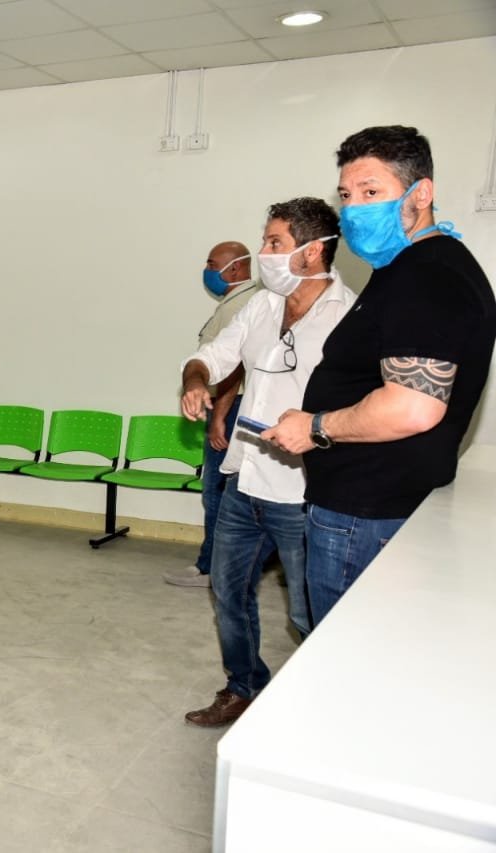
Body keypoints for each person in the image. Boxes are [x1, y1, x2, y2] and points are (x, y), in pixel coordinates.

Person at [267, 126, 496, 626]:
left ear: (421, 193)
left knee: (341, 646)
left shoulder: (425, 275)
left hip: (365, 515)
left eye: (371, 192)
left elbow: (412, 407)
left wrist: (315, 427)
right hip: (370, 506)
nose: (354, 209)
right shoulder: (410, 269)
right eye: (347, 195)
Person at [179, 198, 356, 727]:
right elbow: (213, 356)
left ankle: (322, 713)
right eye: (265, 240)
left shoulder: (348, 317)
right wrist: (195, 381)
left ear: (313, 251)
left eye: (275, 242)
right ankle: (243, 687)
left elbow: (357, 411)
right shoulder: (260, 306)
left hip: (304, 496)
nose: (264, 252)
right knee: (228, 592)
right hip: (244, 480)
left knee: (306, 611)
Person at [165, 243, 259, 587]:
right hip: (231, 406)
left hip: (230, 408)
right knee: (227, 492)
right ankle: (221, 565)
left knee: (217, 492)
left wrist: (219, 415)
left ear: (234, 268)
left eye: (211, 264)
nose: (206, 270)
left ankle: (212, 569)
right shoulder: (237, 301)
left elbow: (234, 367)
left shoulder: (243, 304)